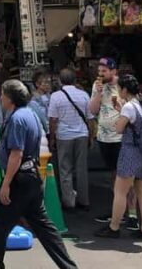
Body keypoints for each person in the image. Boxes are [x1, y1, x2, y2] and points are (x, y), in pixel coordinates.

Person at [0, 80, 77, 269]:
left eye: (3, 94)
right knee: (44, 228)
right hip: (32, 178)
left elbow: (16, 154)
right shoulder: (30, 114)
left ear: (10, 98)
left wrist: (6, 183)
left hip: (19, 180)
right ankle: (68, 266)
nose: (1, 97)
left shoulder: (18, 118)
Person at [95, 74, 142, 240]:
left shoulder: (129, 107)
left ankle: (114, 228)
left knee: (120, 191)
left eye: (120, 88)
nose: (118, 91)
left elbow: (119, 128)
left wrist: (119, 117)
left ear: (125, 89)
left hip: (130, 152)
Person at [89, 57, 138, 229]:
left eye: (104, 71)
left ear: (114, 71)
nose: (101, 74)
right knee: (113, 175)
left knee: (127, 177)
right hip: (104, 137)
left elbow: (134, 107)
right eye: (99, 71)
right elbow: (93, 110)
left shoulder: (123, 85)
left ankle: (132, 214)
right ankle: (117, 210)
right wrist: (98, 93)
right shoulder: (97, 86)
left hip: (121, 138)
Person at [48, 68, 93, 211]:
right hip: (82, 134)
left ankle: (69, 202)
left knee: (64, 168)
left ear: (60, 81)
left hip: (64, 135)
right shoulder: (84, 95)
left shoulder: (55, 96)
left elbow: (53, 120)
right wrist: (91, 136)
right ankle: (84, 200)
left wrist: (52, 138)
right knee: (81, 168)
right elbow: (90, 118)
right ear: (75, 80)